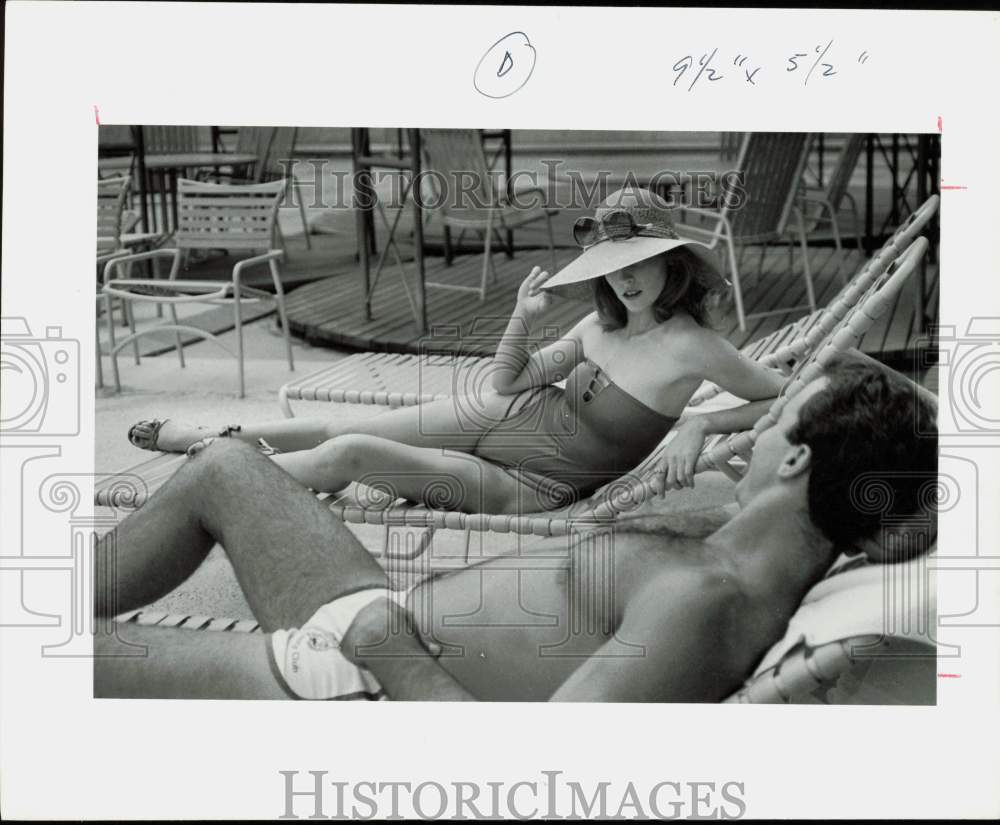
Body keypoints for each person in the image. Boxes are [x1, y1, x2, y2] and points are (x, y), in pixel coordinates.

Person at [94, 354, 937, 702]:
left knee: (69, 657)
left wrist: (388, 648)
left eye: (775, 419)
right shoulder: (740, 541)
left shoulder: (709, 600)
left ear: (797, 465)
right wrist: (698, 431)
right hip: (377, 623)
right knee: (226, 466)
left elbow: (534, 781)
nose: (746, 429)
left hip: (363, 684)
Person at [124, 187, 786, 514]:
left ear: (672, 262)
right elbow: (507, 385)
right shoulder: (595, 331)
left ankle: (206, 481)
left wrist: (699, 422)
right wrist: (520, 321)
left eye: (639, 262)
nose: (626, 278)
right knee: (336, 424)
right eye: (613, 266)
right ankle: (208, 439)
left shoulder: (695, 347)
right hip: (500, 417)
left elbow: (780, 394)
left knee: (348, 454)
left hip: (532, 482)